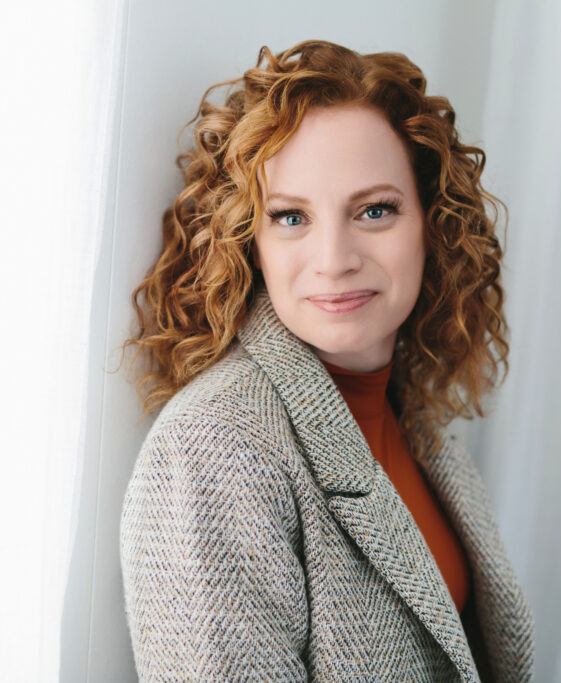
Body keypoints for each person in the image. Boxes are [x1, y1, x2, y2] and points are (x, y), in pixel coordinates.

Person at [119, 39, 534, 682]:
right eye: (290, 217)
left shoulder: (416, 421)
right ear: (247, 239)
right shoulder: (217, 444)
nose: (335, 258)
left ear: (432, 222)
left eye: (375, 210)